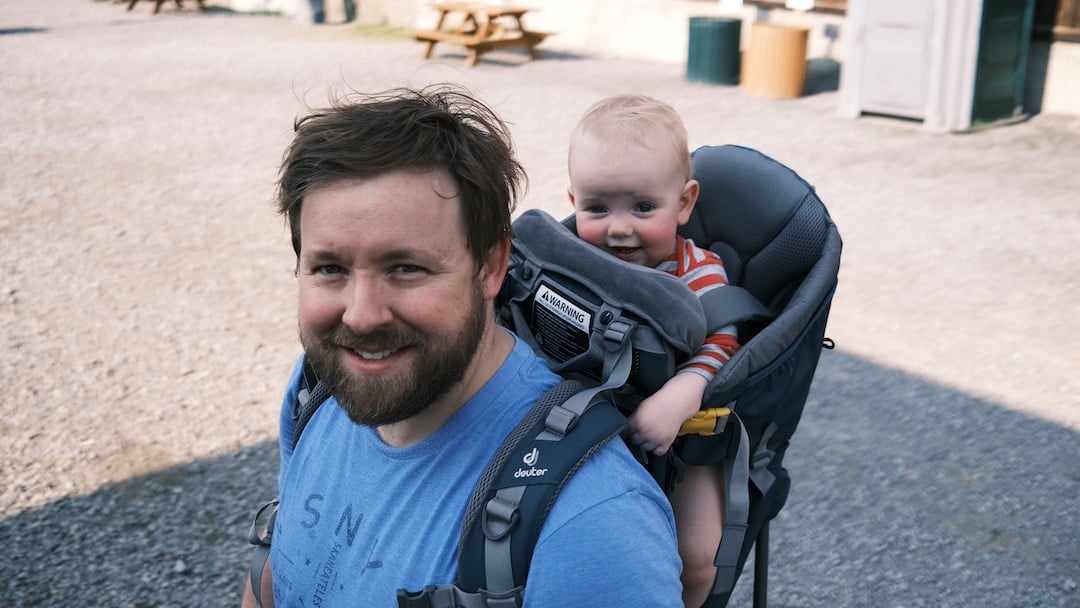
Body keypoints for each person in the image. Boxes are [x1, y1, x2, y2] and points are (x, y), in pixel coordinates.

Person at [241, 85, 683, 608]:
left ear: (492, 266)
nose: (360, 316)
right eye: (330, 268)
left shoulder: (593, 523)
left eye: (406, 268)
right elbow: (274, 578)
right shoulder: (318, 386)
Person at [566, 94, 741, 608]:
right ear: (572, 199)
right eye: (596, 208)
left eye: (643, 208)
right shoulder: (577, 260)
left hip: (685, 436)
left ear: (684, 203)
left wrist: (686, 390)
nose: (619, 228)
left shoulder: (697, 270)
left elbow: (727, 340)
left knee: (698, 556)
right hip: (588, 424)